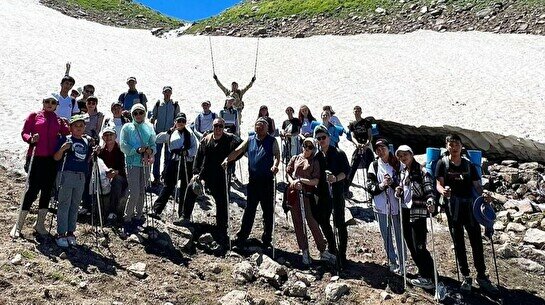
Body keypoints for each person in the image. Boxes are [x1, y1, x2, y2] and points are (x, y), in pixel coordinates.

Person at [435, 134, 498, 293]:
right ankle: (466, 275)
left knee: (476, 241)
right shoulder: (442, 163)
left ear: (462, 146)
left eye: (457, 144)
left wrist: (484, 195)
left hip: (470, 207)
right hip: (453, 207)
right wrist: (444, 192)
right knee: (458, 243)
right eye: (451, 144)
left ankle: (481, 276)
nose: (454, 147)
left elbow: (477, 185)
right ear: (447, 146)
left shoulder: (469, 165)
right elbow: (438, 184)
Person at [10, 95, 70, 239]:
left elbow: (67, 134)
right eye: (47, 102)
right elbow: (24, 132)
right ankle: (18, 224)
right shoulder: (34, 116)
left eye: (53, 102)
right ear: (43, 103)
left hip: (51, 159)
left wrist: (67, 128)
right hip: (35, 157)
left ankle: (40, 224)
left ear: (56, 105)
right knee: (33, 189)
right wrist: (30, 139)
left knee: (47, 189)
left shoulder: (59, 120)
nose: (49, 104)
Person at [180, 118, 241, 246]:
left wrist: (231, 160)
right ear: (212, 127)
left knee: (222, 201)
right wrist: (196, 173)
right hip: (205, 174)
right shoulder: (206, 139)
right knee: (191, 188)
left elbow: (241, 147)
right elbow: (199, 156)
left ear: (223, 127)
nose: (218, 129)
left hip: (220, 176)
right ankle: (185, 217)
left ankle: (222, 228)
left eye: (220, 126)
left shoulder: (230, 139)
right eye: (216, 126)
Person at [223, 118, 281, 250]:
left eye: (262, 126)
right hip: (253, 182)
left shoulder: (272, 141)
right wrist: (228, 160)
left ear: (267, 128)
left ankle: (267, 239)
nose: (259, 128)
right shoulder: (250, 140)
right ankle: (242, 236)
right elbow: (238, 150)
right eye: (257, 126)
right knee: (249, 210)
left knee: (268, 211)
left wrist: (275, 166)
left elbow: (277, 155)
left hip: (267, 181)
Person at [285, 137, 336, 265]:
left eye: (310, 147)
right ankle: (305, 251)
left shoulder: (314, 162)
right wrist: (293, 182)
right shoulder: (295, 158)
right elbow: (288, 173)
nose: (306, 149)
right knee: (298, 222)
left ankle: (322, 249)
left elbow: (316, 181)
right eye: (305, 145)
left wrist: (301, 181)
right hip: (293, 194)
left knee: (311, 221)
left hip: (307, 195)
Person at [395, 145, 436, 289]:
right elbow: (402, 187)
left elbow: (429, 191)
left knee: (419, 246)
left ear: (411, 154)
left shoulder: (422, 171)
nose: (403, 158)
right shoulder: (403, 172)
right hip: (405, 211)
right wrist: (398, 190)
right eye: (400, 156)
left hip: (417, 212)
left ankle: (429, 277)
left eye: (405, 155)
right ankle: (424, 273)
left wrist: (430, 201)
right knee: (411, 245)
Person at [53, 114, 93, 248]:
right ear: (71, 127)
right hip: (67, 174)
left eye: (81, 126)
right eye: (76, 126)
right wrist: (63, 148)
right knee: (64, 203)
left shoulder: (86, 141)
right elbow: (56, 158)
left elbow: (86, 160)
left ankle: (71, 231)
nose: (79, 128)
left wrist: (93, 155)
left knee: (75, 204)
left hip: (80, 176)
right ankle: (61, 233)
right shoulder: (65, 139)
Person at [314, 126, 350, 267]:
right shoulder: (317, 156)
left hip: (336, 192)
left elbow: (346, 171)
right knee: (323, 219)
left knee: (339, 222)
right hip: (323, 194)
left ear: (329, 137)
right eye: (319, 138)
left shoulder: (339, 153)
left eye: (323, 137)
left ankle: (342, 253)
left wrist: (335, 179)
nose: (322, 140)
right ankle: (332, 247)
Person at [366, 139, 404, 273]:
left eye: (383, 148)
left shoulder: (398, 163)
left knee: (399, 234)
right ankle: (392, 261)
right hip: (381, 206)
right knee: (386, 234)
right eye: (377, 149)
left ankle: (402, 261)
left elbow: (403, 183)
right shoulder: (374, 165)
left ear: (389, 148)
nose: (380, 151)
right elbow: (369, 186)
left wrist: (393, 184)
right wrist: (382, 185)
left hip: (396, 205)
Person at [151, 113, 198, 219]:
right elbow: (157, 139)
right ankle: (156, 210)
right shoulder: (171, 133)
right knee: (168, 186)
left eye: (183, 121)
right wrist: (169, 131)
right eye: (179, 121)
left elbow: (195, 148)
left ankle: (183, 214)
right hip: (174, 161)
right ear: (175, 122)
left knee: (185, 189)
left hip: (186, 162)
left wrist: (187, 152)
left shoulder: (190, 134)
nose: (181, 123)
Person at [119, 104, 156, 236]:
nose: (138, 115)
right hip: (132, 163)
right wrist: (137, 150)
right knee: (134, 192)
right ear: (132, 115)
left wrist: (150, 150)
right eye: (136, 113)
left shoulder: (149, 127)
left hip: (145, 163)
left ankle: (138, 217)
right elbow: (123, 145)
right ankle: (127, 218)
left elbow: (154, 144)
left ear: (145, 113)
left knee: (141, 191)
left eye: (141, 112)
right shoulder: (127, 127)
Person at [150, 86, 180, 184]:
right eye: (165, 92)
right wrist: (152, 119)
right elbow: (152, 116)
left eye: (169, 92)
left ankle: (165, 176)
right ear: (163, 93)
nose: (167, 93)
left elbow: (178, 118)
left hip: (170, 134)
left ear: (171, 93)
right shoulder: (158, 104)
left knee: (168, 157)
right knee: (156, 156)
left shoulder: (175, 105)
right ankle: (156, 177)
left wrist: (174, 129)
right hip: (158, 133)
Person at [97, 127, 127, 223]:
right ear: (103, 137)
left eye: (111, 135)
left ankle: (112, 211)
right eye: (106, 135)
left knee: (117, 180)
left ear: (115, 136)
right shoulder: (100, 151)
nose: (108, 137)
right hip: (105, 176)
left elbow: (125, 168)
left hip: (119, 177)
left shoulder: (121, 150)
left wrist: (116, 172)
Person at [345, 106, 374, 198]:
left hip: (367, 147)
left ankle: (371, 190)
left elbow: (370, 135)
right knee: (353, 167)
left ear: (361, 112)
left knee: (370, 168)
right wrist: (357, 143)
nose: (357, 112)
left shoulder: (366, 122)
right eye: (355, 110)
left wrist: (367, 143)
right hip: (358, 147)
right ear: (353, 112)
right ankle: (346, 188)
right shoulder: (352, 124)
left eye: (358, 110)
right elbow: (352, 136)